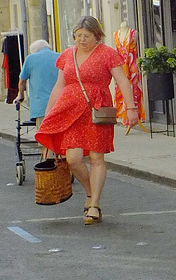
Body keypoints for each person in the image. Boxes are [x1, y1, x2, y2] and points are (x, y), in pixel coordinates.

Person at [35, 16, 139, 225]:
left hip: (96, 111)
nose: (81, 40)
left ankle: (94, 205)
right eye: (78, 36)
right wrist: (48, 114)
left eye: (86, 36)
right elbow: (59, 86)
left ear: (97, 36)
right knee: (73, 159)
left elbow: (122, 81)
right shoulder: (67, 55)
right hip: (70, 111)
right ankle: (91, 193)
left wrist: (131, 108)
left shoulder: (108, 54)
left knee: (96, 158)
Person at [14, 39, 60, 125]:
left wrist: (21, 95)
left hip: (41, 106)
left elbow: (22, 81)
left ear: (34, 51)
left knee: (44, 135)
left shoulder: (31, 58)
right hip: (59, 104)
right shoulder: (60, 57)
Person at [113, 21, 145, 126]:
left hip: (132, 66)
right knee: (121, 90)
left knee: (134, 89)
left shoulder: (134, 33)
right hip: (120, 66)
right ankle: (123, 116)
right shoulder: (115, 34)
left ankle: (135, 114)